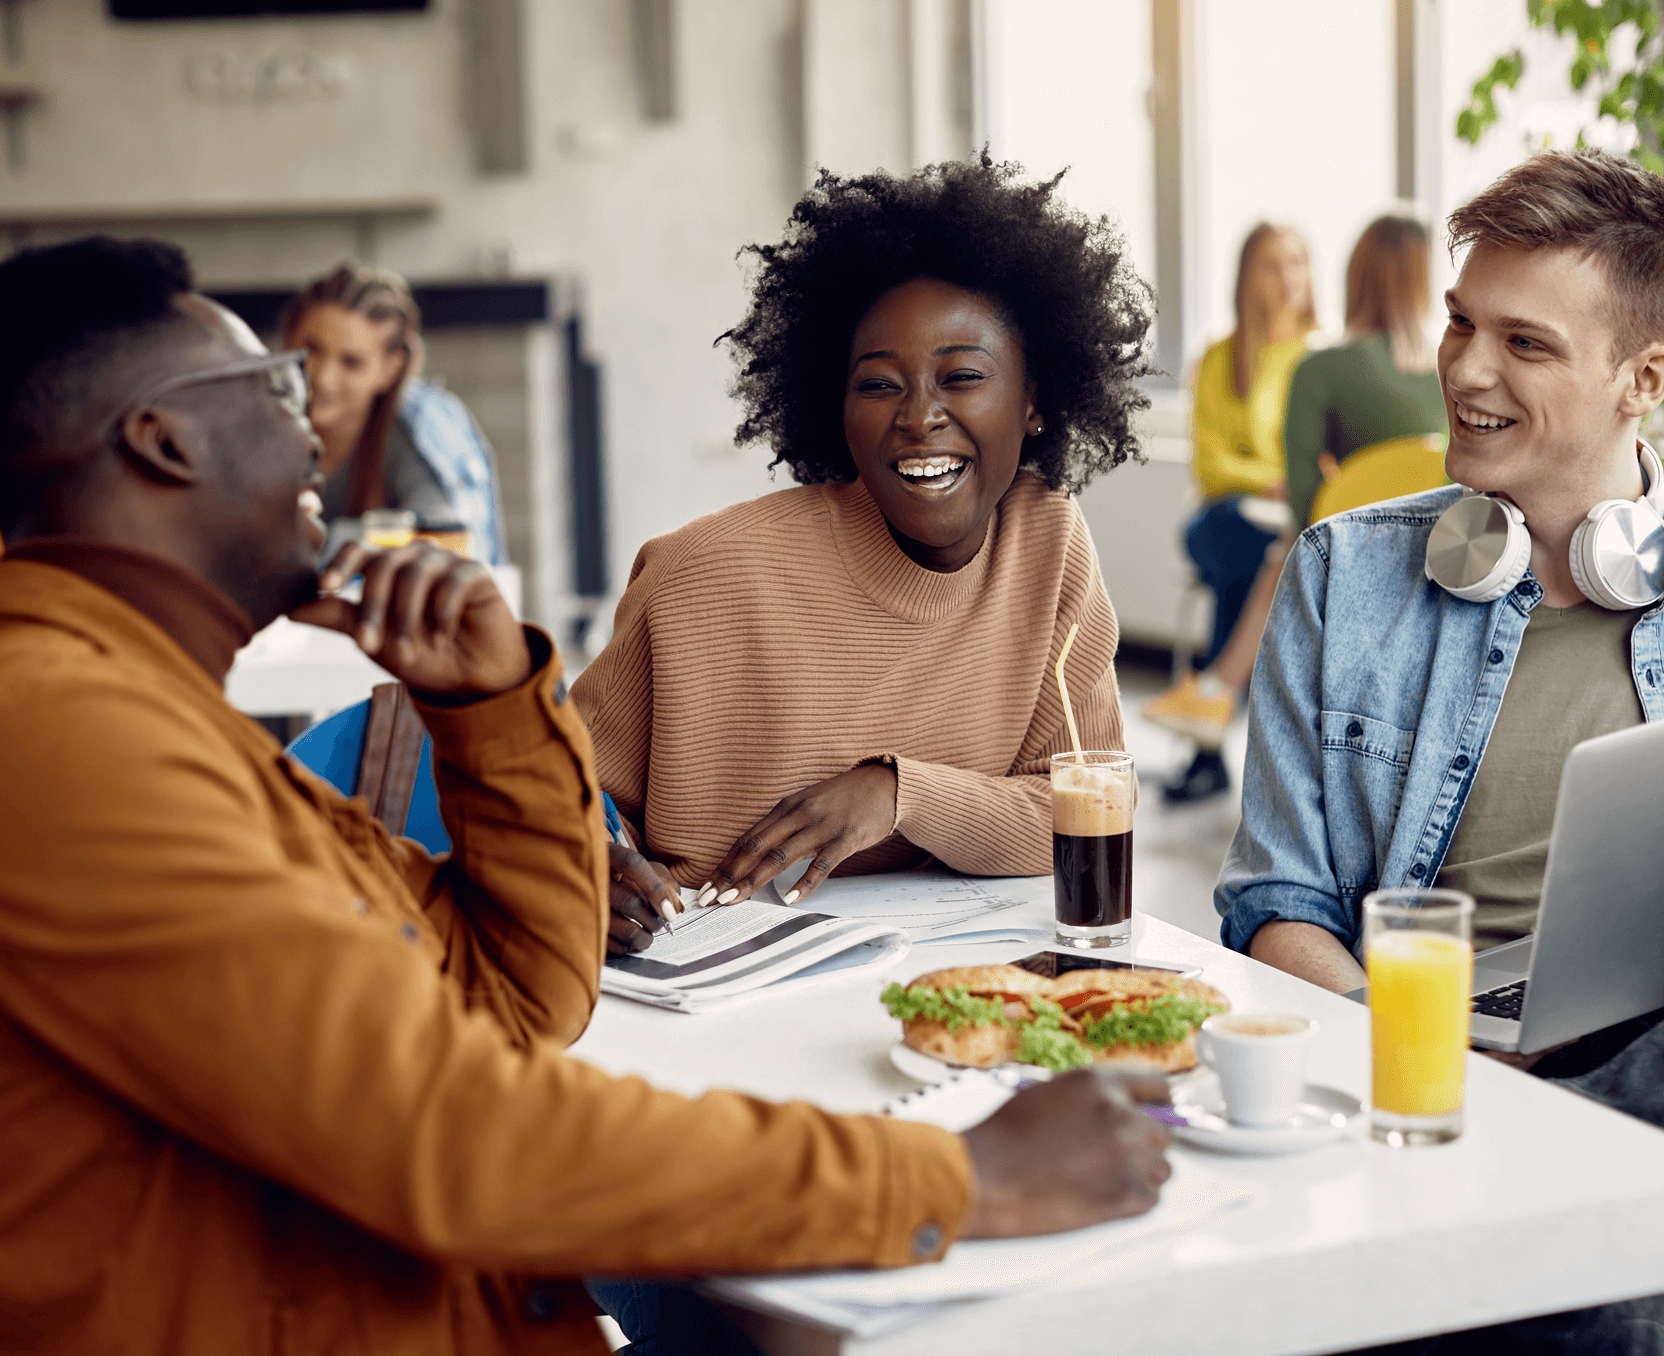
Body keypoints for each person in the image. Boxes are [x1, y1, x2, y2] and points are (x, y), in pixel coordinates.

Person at [0, 236, 1175, 1355]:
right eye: (271, 383)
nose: (315, 428)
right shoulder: (64, 739)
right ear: (161, 441)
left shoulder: (160, 719)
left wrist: (494, 713)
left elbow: (519, 999)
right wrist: (960, 1182)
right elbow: (456, 1130)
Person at [1215, 147, 1664, 1356]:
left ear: (1642, 379)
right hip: (1414, 1058)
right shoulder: (1341, 575)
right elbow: (1275, 904)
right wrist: (1412, 1053)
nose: (1462, 368)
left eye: (1524, 343)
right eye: (1460, 323)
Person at [573, 154, 1153, 946]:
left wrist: (898, 792)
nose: (920, 416)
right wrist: (584, 863)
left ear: (1036, 402)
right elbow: (552, 792)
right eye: (880, 384)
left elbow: (1077, 815)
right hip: (697, 964)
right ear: (834, 405)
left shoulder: (1046, 539)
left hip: (932, 964)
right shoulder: (699, 577)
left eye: (963, 377)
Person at [1142, 223, 1314, 804]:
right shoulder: (1219, 358)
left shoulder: (1317, 355)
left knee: (1243, 573)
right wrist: (1267, 479)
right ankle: (1224, 725)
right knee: (1240, 548)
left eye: (1297, 261)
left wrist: (1285, 485)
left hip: (1290, 524)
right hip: (1224, 516)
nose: (1287, 276)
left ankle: (1208, 747)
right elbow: (1211, 464)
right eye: (1272, 263)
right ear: (1246, 276)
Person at [281, 262, 508, 564]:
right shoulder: (252, 425)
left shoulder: (411, 432)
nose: (323, 378)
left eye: (351, 362)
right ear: (288, 342)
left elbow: (445, 542)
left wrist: (331, 540)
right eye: (312, 350)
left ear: (391, 368)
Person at [1283, 213, 1448, 531]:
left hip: (1354, 551)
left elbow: (1304, 505)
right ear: (1425, 281)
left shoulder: (1317, 370)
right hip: (1446, 553)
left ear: (1355, 274)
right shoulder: (1457, 371)